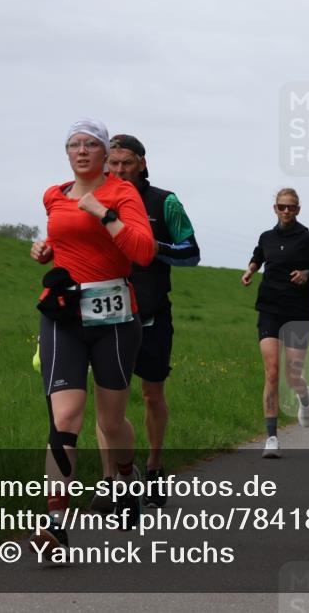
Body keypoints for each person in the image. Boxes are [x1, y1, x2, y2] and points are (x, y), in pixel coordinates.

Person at [28, 119, 156, 558]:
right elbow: (62, 238)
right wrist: (46, 249)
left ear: (105, 153)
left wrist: (103, 214)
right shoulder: (53, 195)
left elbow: (143, 252)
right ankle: (56, 524)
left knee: (111, 422)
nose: (81, 150)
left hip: (116, 319)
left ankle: (124, 477)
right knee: (65, 419)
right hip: (64, 314)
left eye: (90, 144)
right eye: (73, 144)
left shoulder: (122, 194)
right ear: (67, 153)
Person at [89, 134, 200, 511]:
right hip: (105, 314)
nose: (119, 170)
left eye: (126, 163)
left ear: (142, 163)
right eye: (113, 164)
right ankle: (109, 482)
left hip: (151, 314)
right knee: (107, 402)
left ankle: (153, 466)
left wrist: (156, 248)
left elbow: (192, 252)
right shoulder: (94, 201)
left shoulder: (163, 202)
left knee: (152, 395)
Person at [242, 188, 309, 458]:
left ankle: (304, 395)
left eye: (291, 207)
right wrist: (250, 270)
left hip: (299, 311)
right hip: (270, 308)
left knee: (292, 375)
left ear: (298, 209)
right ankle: (272, 438)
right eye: (281, 207)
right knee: (271, 371)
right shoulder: (267, 236)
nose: (286, 211)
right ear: (274, 208)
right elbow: (259, 255)